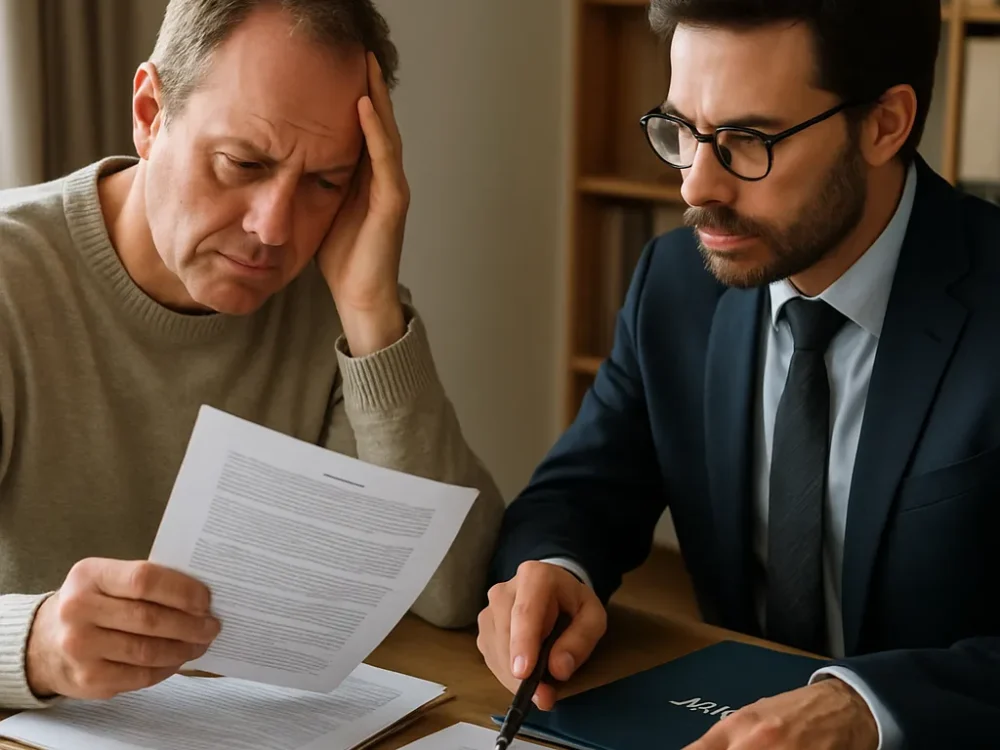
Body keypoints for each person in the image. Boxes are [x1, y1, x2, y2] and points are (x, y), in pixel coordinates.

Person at [478, 0, 1000, 748]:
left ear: (885, 123)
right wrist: (553, 571)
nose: (696, 187)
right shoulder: (675, 284)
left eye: (748, 139)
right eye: (683, 133)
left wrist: (865, 707)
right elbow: (580, 492)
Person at [0, 0, 504, 710]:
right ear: (149, 113)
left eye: (326, 181)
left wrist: (370, 313)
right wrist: (32, 643)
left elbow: (455, 588)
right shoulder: (9, 281)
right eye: (243, 163)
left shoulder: (331, 296)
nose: (272, 229)